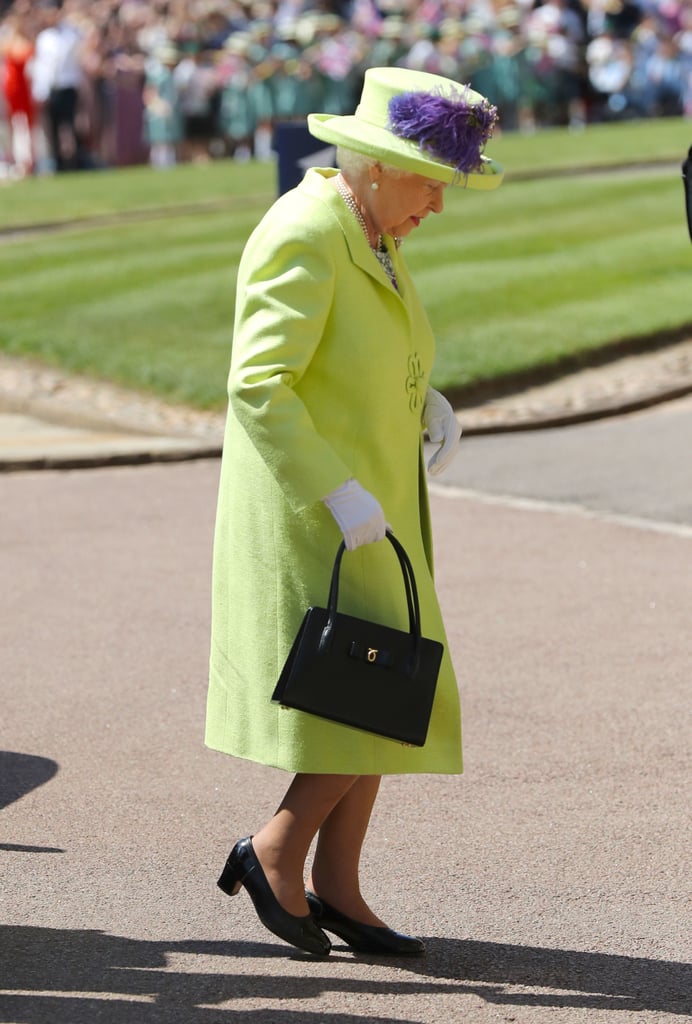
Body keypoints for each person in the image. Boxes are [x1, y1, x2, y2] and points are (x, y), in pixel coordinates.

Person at [206, 65, 503, 958]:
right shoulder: (307, 228)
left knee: (386, 686)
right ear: (374, 164)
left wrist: (422, 400)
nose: (440, 207)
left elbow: (358, 351)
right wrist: (335, 490)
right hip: (320, 508)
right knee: (367, 694)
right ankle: (274, 851)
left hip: (371, 500)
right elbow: (260, 383)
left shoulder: (371, 230)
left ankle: (336, 886)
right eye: (433, 183)